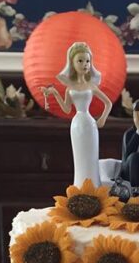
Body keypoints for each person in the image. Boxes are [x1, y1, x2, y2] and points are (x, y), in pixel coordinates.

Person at [41, 42, 112, 187]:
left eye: (87, 61)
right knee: (79, 157)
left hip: (90, 123)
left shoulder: (91, 86)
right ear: (72, 63)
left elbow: (108, 103)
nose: (85, 64)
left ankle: (94, 186)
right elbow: (67, 109)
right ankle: (80, 185)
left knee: (91, 156)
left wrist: (103, 118)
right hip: (76, 124)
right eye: (80, 60)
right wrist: (55, 93)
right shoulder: (69, 88)